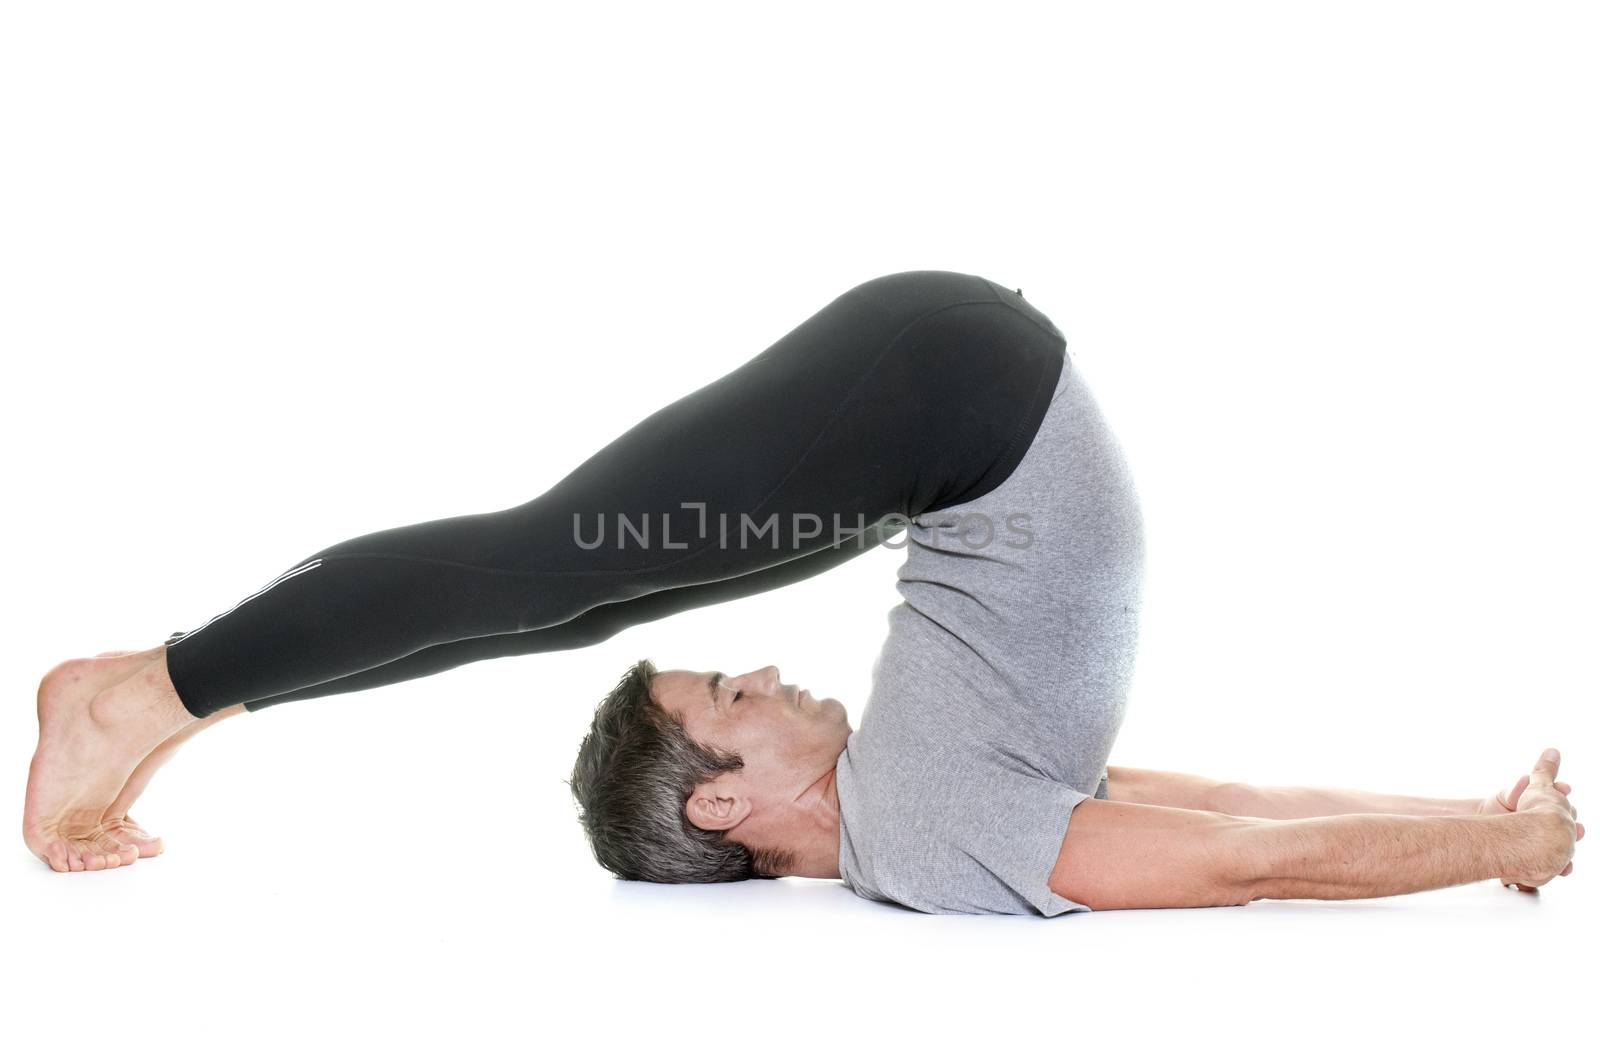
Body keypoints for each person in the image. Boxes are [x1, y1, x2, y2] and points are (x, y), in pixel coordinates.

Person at [23, 272, 1581, 912]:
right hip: (942, 401)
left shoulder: (936, 803)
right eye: (731, 701)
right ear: (721, 807)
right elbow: (1245, 838)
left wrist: (1494, 838)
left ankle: (157, 690)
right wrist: (1486, 823)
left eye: (728, 682)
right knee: (556, 585)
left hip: (944, 408)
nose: (760, 674)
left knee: (552, 570)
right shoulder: (933, 823)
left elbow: (1240, 837)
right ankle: (159, 698)